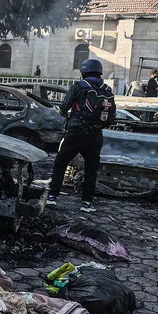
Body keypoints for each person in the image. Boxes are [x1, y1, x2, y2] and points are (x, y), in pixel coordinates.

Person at [48, 58, 114, 213]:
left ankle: (52, 196)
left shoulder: (78, 87)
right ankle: (87, 203)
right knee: (91, 169)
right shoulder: (107, 90)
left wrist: (68, 114)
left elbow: (64, 109)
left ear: (83, 72)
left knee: (60, 163)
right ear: (99, 72)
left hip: (76, 133)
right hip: (96, 135)